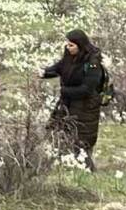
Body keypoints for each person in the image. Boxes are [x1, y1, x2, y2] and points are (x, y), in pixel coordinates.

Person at [41, 29, 106, 172]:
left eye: (71, 45)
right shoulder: (69, 56)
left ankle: (89, 172)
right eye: (67, 44)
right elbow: (59, 67)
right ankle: (60, 165)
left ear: (80, 45)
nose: (67, 47)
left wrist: (64, 91)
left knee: (82, 142)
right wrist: (44, 72)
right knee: (56, 131)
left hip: (86, 107)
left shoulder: (92, 64)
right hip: (68, 103)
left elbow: (87, 89)